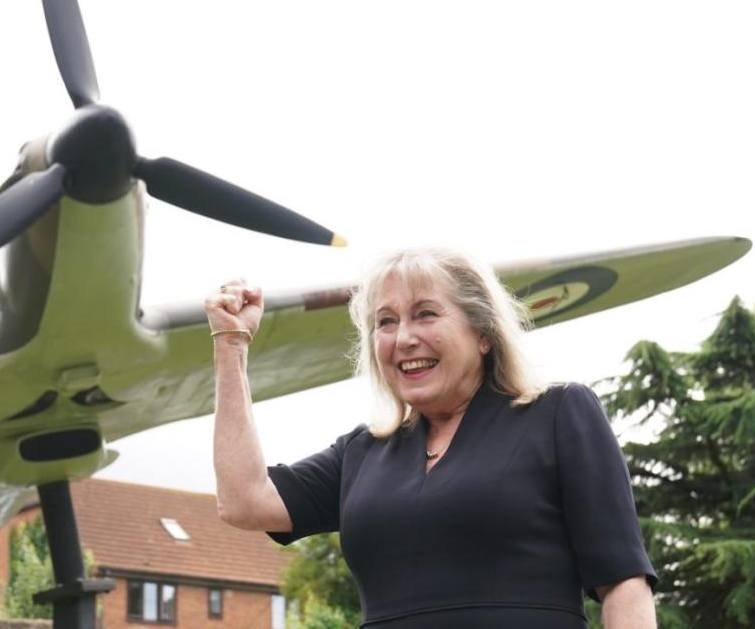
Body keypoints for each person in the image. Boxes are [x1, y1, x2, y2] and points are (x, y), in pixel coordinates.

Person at [206, 247, 658, 629]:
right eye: (385, 322)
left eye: (425, 315)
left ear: (482, 333)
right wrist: (231, 347)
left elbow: (623, 583)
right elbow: (244, 500)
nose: (403, 338)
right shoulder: (362, 453)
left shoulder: (558, 414)